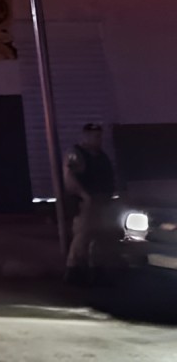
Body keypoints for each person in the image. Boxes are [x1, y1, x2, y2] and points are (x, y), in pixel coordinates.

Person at [64, 122, 117, 285]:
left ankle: (96, 270)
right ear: (86, 136)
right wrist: (84, 196)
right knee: (83, 237)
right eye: (95, 136)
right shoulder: (76, 154)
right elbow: (70, 178)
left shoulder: (100, 155)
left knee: (100, 237)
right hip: (86, 202)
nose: (99, 139)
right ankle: (75, 272)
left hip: (102, 201)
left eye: (99, 135)